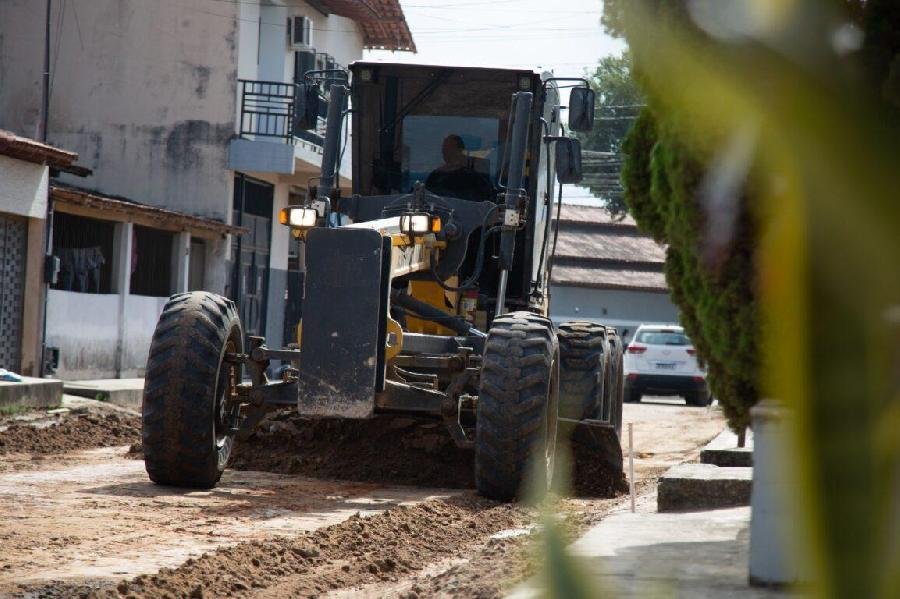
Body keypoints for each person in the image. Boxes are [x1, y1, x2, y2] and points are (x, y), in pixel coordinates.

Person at [425, 134, 494, 201]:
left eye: (451, 150)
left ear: (460, 151)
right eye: (444, 150)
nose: (446, 153)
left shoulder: (476, 176)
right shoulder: (435, 176)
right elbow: (426, 198)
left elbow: (486, 199)